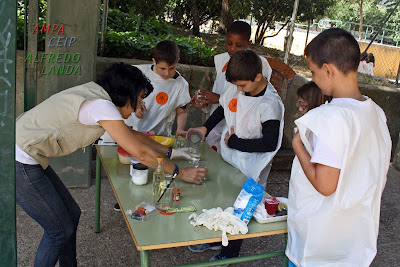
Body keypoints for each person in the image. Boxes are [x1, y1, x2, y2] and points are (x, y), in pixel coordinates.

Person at [15, 63, 207, 267]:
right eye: (140, 98)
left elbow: (134, 136)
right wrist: (180, 173)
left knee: (71, 215)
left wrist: (172, 152)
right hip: (20, 158)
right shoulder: (101, 105)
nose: (140, 106)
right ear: (127, 93)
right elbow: (141, 153)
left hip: (27, 153)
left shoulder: (98, 96)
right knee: (59, 231)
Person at [286, 28, 391, 266]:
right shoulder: (375, 113)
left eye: (313, 72)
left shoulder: (331, 118)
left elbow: (325, 185)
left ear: (328, 70)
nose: (312, 78)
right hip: (354, 241)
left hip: (319, 247)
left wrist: (298, 146)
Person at [187, 49, 284, 264]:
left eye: (242, 86)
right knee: (219, 197)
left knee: (239, 209)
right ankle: (216, 238)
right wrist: (204, 128)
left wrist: (235, 142)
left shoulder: (270, 105)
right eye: (236, 85)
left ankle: (229, 253)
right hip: (229, 158)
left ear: (258, 77)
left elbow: (269, 142)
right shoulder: (238, 89)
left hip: (251, 167)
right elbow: (224, 108)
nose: (238, 90)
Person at [191, 20, 272, 151]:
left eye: (239, 45)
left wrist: (218, 98)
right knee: (213, 152)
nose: (232, 48)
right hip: (217, 116)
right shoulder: (222, 60)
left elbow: (253, 98)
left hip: (238, 123)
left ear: (248, 44)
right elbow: (222, 89)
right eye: (229, 43)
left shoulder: (257, 64)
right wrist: (206, 101)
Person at [125, 40, 191, 137]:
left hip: (159, 137)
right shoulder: (136, 72)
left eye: (172, 68)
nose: (167, 73)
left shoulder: (181, 84)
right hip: (129, 132)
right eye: (162, 68)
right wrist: (133, 105)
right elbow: (119, 96)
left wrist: (180, 129)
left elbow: (182, 111)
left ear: (177, 61)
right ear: (154, 61)